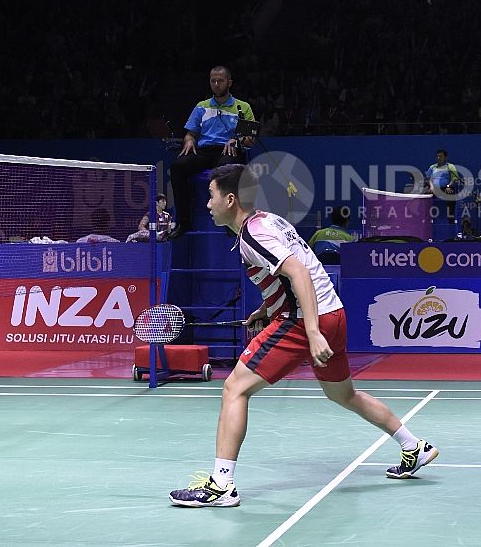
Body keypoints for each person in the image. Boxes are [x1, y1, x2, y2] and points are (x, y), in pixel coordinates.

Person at [169, 164, 437, 508]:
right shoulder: (269, 221)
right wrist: (267, 308)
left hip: (303, 323)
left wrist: (311, 332)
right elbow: (293, 274)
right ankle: (414, 446)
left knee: (235, 388)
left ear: (231, 199)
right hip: (333, 313)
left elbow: (298, 273)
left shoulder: (255, 235)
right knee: (344, 395)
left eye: (212, 196)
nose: (208, 204)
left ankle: (221, 485)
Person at [168, 66, 257, 238]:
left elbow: (250, 141)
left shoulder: (242, 107)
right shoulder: (201, 107)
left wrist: (237, 140)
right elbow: (190, 133)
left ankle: (231, 222)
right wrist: (189, 140)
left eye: (220, 80)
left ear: (229, 82)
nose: (216, 84)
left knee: (225, 170)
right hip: (204, 151)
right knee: (178, 167)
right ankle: (184, 222)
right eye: (213, 80)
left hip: (229, 150)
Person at [423, 149, 461, 220]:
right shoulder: (432, 167)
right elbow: (429, 179)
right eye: (437, 156)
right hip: (434, 189)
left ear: (445, 157)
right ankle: (426, 217)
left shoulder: (450, 166)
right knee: (425, 196)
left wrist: (449, 186)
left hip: (446, 187)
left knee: (451, 194)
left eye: (441, 156)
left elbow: (454, 179)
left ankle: (450, 217)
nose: (438, 158)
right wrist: (431, 187)